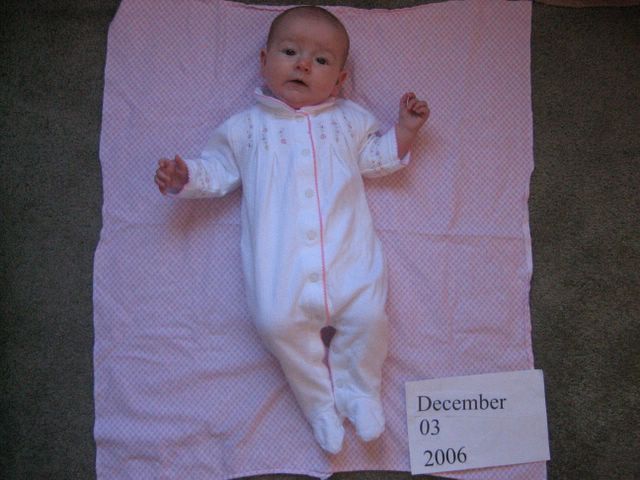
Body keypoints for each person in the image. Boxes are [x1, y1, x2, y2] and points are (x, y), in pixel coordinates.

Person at [154, 6, 429, 454]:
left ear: (339, 80)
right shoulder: (245, 130)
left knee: (368, 319)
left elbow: (375, 160)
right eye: (290, 52)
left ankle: (359, 391)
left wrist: (404, 131)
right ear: (264, 61)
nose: (303, 64)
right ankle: (318, 402)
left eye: (321, 60)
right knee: (274, 323)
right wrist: (187, 176)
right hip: (279, 268)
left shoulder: (350, 121)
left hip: (349, 260)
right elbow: (218, 170)